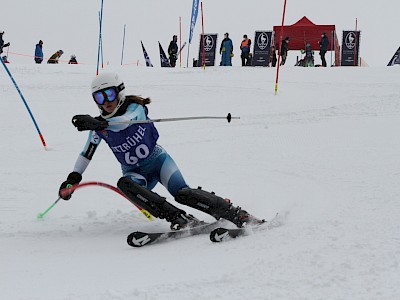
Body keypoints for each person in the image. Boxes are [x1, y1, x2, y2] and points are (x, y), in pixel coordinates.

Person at [59, 72, 262, 230]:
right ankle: (179, 218)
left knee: (182, 193)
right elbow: (86, 153)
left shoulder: (135, 108)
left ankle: (236, 214)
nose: (105, 101)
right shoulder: (99, 127)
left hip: (159, 161)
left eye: (109, 94)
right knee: (125, 183)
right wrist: (73, 177)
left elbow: (124, 122)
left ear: (119, 92)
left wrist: (100, 123)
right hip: (134, 172)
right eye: (99, 97)